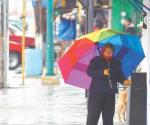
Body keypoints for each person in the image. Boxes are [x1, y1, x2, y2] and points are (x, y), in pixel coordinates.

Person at [86, 43, 131, 125]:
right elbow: (89, 72)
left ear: (113, 52)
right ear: (103, 51)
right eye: (106, 52)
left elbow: (119, 75)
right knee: (92, 118)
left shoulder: (116, 62)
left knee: (108, 119)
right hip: (96, 94)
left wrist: (124, 81)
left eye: (110, 52)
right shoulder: (95, 60)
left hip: (110, 95)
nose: (108, 54)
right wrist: (102, 72)